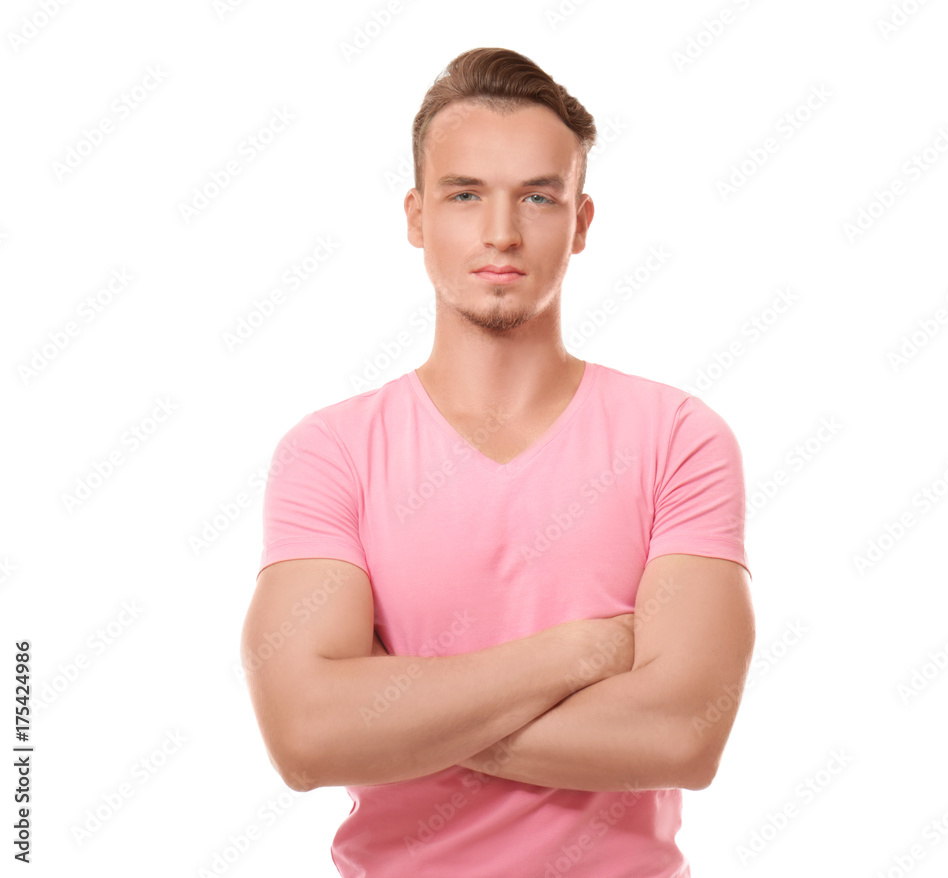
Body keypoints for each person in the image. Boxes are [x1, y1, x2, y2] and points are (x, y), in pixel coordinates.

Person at [241, 46, 755, 878]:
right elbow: (306, 737)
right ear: (416, 217)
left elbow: (682, 735)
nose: (501, 233)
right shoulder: (331, 452)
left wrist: (402, 715)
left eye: (539, 196)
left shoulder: (680, 437)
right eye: (465, 193)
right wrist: (580, 655)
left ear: (581, 222)